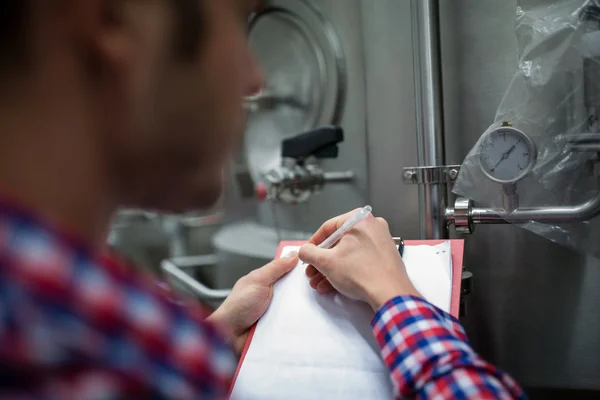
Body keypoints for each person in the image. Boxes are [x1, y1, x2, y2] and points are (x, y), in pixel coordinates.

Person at [0, 0, 525, 399]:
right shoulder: (105, 355)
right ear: (111, 16)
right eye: (239, 20)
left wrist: (216, 333)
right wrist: (396, 298)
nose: (253, 80)